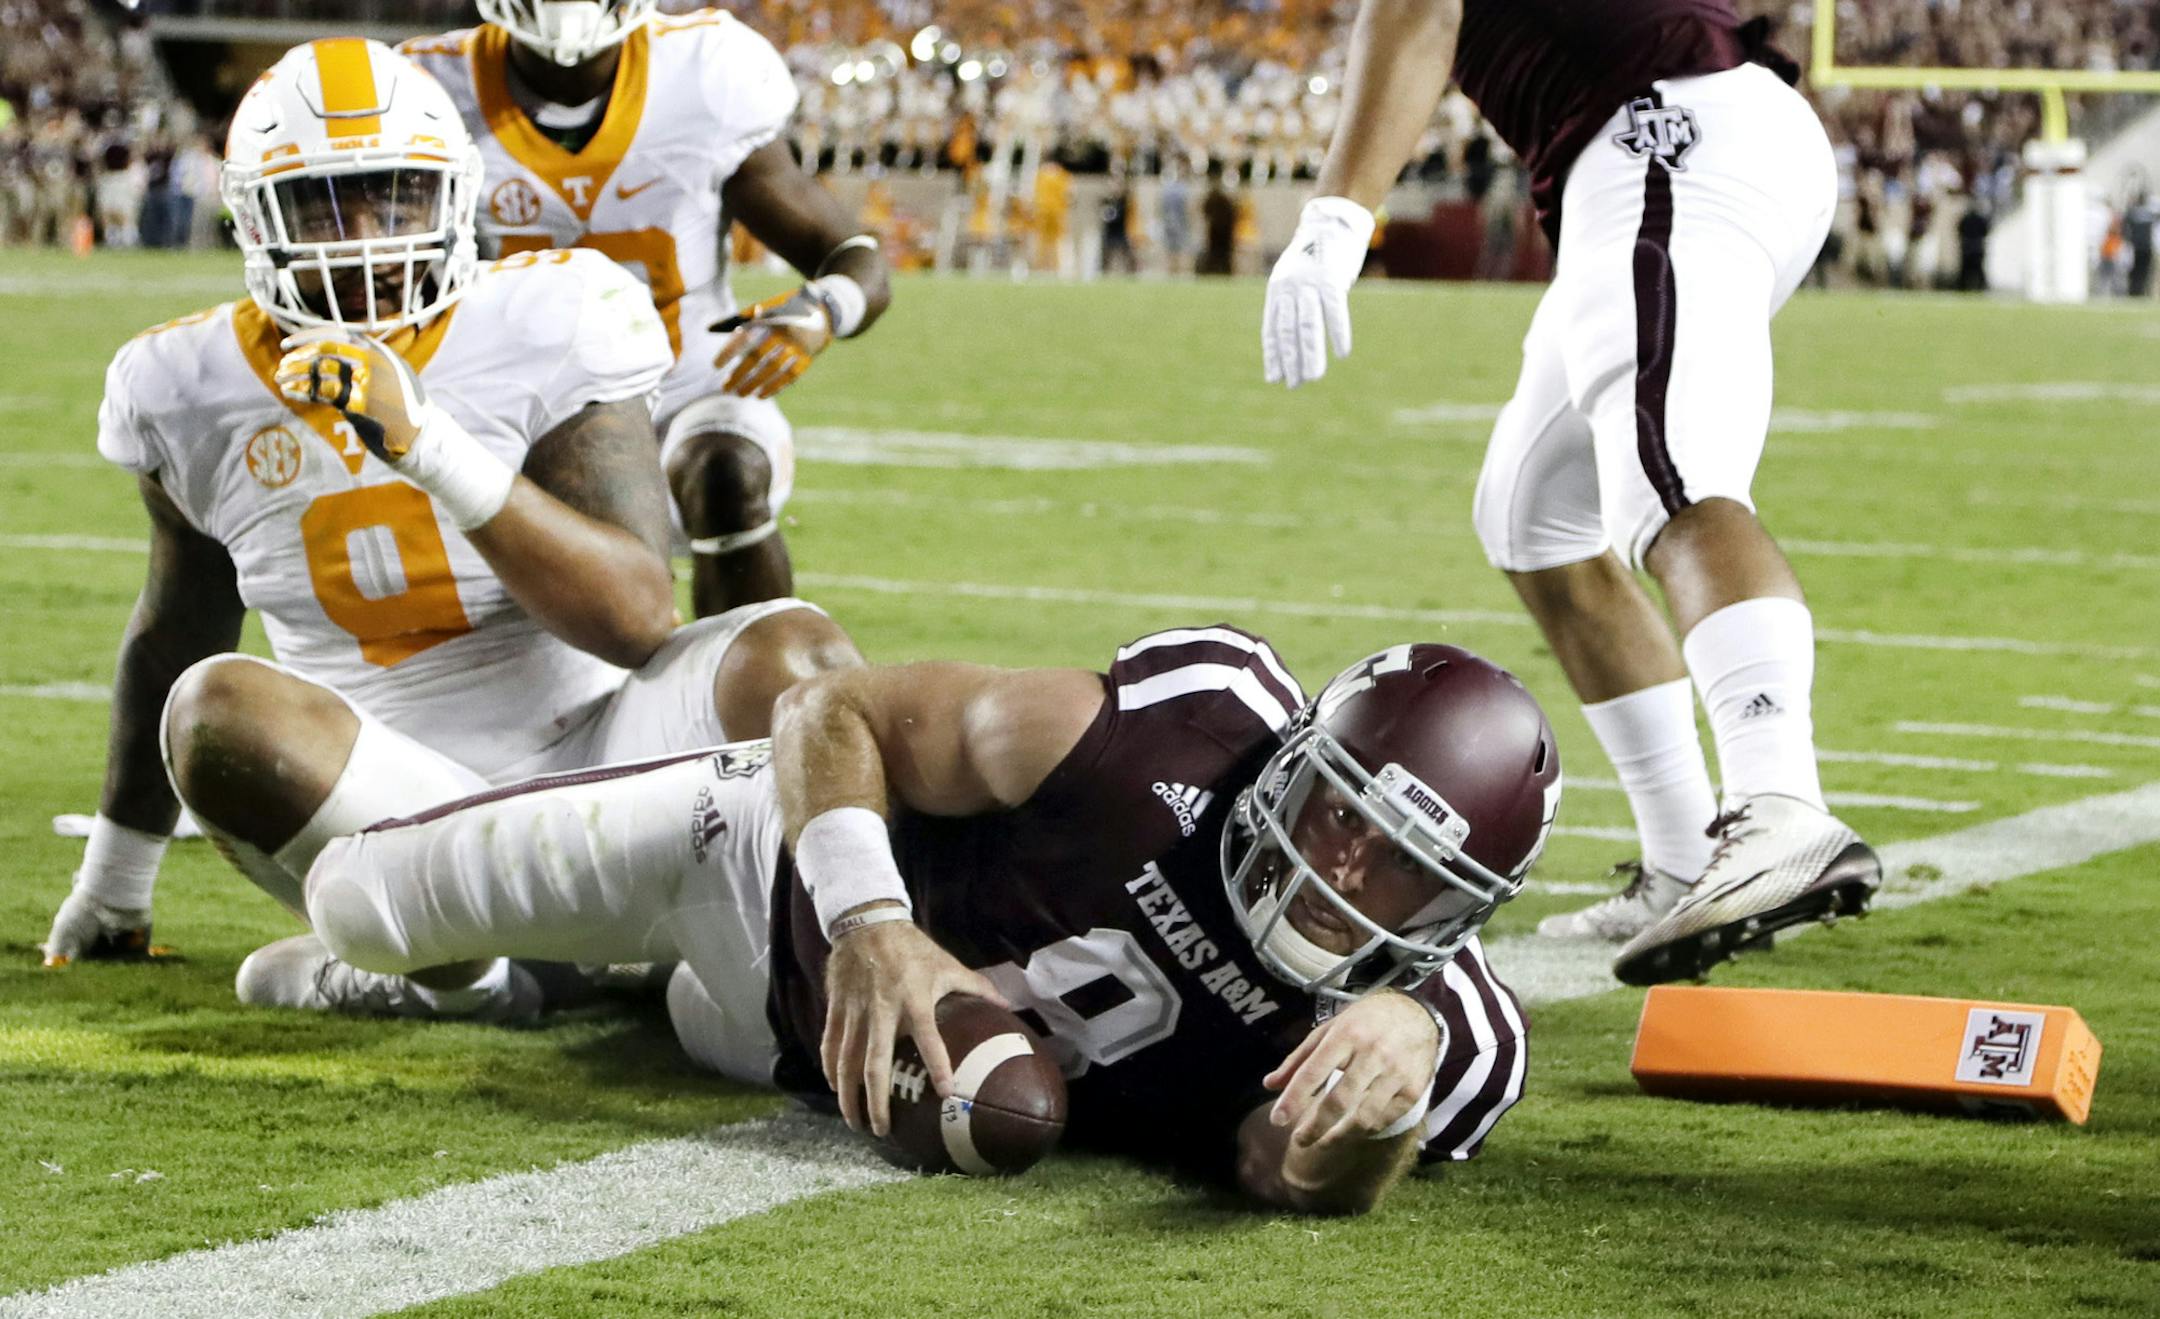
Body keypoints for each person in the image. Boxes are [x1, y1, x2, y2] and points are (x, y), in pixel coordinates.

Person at [39, 40, 860, 1015]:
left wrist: (428, 446)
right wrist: (114, 883)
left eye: (396, 199)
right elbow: (177, 626)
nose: (364, 240)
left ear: (455, 197)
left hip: (603, 758)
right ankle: (475, 981)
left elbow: (638, 617)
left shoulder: (548, 314)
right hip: (392, 803)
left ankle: (871, 924)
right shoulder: (188, 384)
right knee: (210, 710)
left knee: (795, 654)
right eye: (322, 207)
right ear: (257, 219)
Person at [297, 629, 1559, 1214]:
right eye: (1339, 811)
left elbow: (1286, 1172)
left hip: (802, 1058)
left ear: (1456, 914)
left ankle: (571, 976)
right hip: (760, 864)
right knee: (357, 906)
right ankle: (483, 963)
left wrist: (1383, 1106)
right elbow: (829, 709)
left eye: (1402, 868)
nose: (1342, 867)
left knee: (683, 1006)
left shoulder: (1443, 1035)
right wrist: (868, 917)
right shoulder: (1172, 734)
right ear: (1297, 758)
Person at [1259, 0, 1881, 984]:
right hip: (1669, 132)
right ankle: (1684, 859)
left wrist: (1335, 218)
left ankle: (1780, 803)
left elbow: (1418, 11)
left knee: (1672, 478)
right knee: (1531, 515)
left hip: (1663, 129)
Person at [400, 1, 893, 619]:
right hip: (519, 408)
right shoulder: (424, 88)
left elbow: (850, 253)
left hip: (686, 393)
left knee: (727, 473)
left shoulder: (705, 71)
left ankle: (755, 673)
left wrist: (822, 310)